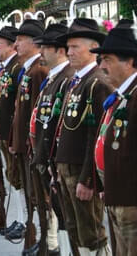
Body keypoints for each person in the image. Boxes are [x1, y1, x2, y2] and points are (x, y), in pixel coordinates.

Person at [55, 18, 112, 255]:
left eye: (75, 47)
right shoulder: (76, 82)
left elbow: (97, 135)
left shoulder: (97, 82)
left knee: (91, 233)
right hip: (67, 167)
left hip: (81, 170)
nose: (69, 52)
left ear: (92, 48)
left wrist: (88, 179)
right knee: (74, 228)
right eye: (68, 48)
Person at [93, 26, 137, 256]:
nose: (101, 66)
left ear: (129, 61)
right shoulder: (123, 95)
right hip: (117, 197)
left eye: (107, 59)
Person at [30, 24, 74, 255]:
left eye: (45, 47)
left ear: (59, 51)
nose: (40, 52)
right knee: (57, 210)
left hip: (58, 159)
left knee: (72, 219)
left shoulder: (67, 79)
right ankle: (55, 246)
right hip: (46, 155)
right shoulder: (54, 78)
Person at [9, 20, 48, 250]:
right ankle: (40, 237)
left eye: (20, 40)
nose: (16, 45)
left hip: (31, 145)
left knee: (39, 195)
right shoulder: (28, 70)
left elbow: (37, 112)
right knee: (29, 190)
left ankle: (48, 240)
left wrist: (29, 142)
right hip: (23, 143)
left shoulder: (38, 71)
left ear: (34, 43)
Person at [0, 26, 25, 231]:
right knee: (12, 177)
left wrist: (11, 134)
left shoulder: (17, 67)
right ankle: (21, 218)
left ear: (12, 46)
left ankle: (24, 220)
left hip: (13, 135)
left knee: (18, 179)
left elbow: (16, 106)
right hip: (4, 132)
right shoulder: (6, 67)